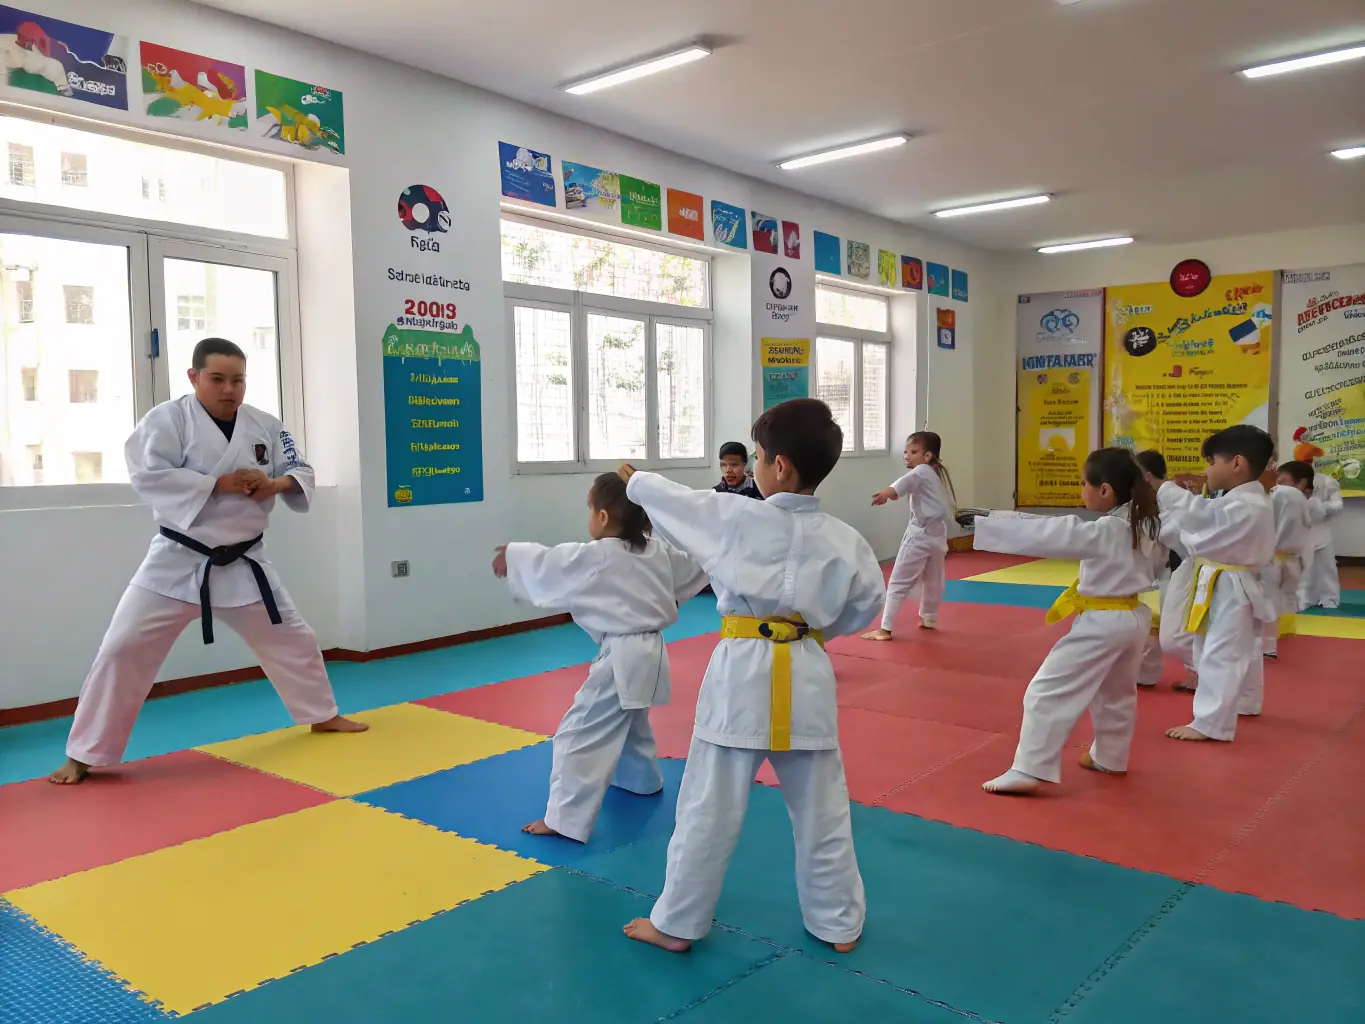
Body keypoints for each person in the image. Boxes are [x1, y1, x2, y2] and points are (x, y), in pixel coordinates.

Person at [618, 398, 885, 954]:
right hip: (807, 672)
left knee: (707, 806)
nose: (756, 466)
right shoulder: (847, 540)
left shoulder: (736, 517)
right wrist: (810, 634)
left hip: (741, 673)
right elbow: (864, 607)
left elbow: (683, 506)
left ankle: (677, 924)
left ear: (779, 466)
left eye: (759, 456)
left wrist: (638, 481)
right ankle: (838, 923)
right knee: (823, 808)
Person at [49, 339, 366, 785]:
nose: (229, 389)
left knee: (294, 639)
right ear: (194, 377)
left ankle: (322, 715)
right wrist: (218, 484)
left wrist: (272, 485)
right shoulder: (166, 420)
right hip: (178, 559)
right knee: (122, 648)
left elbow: (301, 469)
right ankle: (83, 754)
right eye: (217, 379)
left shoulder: (266, 425)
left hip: (245, 560)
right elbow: (147, 473)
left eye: (237, 380)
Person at [492, 474, 707, 843]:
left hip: (622, 657)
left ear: (604, 517)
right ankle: (641, 781)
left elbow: (552, 563)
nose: (589, 518)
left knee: (578, 734)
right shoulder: (655, 550)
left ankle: (564, 819)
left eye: (590, 510)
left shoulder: (600, 554)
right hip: (651, 652)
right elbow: (693, 567)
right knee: (631, 721)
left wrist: (514, 555)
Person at [973, 449, 1165, 795]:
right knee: (1116, 693)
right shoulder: (1146, 521)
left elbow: (1054, 534)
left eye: (1083, 484)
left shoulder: (1109, 529)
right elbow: (1054, 527)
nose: (1081, 490)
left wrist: (986, 523)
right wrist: (992, 516)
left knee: (1046, 690)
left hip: (1103, 623)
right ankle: (1111, 756)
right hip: (1134, 619)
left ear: (1104, 490)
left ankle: (1029, 768)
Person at [1158, 425, 1276, 742]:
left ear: (1236, 463)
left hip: (1231, 585)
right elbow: (1205, 517)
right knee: (1235, 650)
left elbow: (1203, 522)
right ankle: (1246, 702)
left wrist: (1167, 491)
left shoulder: (1249, 504)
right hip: (1225, 580)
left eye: (1211, 461)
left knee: (1220, 653)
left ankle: (1211, 723)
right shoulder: (1241, 500)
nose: (1206, 470)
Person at [862, 431, 955, 640]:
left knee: (898, 581)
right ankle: (929, 617)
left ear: (927, 455)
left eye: (913, 452)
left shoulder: (921, 471)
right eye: (905, 451)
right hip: (938, 535)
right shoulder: (933, 472)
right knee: (933, 579)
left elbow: (902, 484)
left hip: (920, 534)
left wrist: (886, 493)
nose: (907, 455)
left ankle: (884, 629)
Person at [1262, 462, 1313, 658]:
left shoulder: (1278, 493)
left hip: (1274, 556)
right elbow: (1306, 526)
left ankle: (1268, 645)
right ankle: (1278, 637)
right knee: (1283, 599)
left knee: (1268, 601)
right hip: (1294, 557)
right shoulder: (1297, 496)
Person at [1134, 450, 1175, 687]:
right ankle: (1145, 674)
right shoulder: (1157, 499)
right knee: (1156, 624)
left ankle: (1200, 673)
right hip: (1167, 571)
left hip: (1181, 570)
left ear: (1147, 476)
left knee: (1174, 634)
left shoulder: (1169, 499)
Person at [1297, 466, 1344, 610]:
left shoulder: (1326, 481)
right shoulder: (1289, 482)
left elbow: (1337, 505)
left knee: (1326, 568)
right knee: (1300, 570)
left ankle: (1329, 598)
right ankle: (1303, 599)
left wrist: (1319, 507)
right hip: (1297, 532)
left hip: (1320, 530)